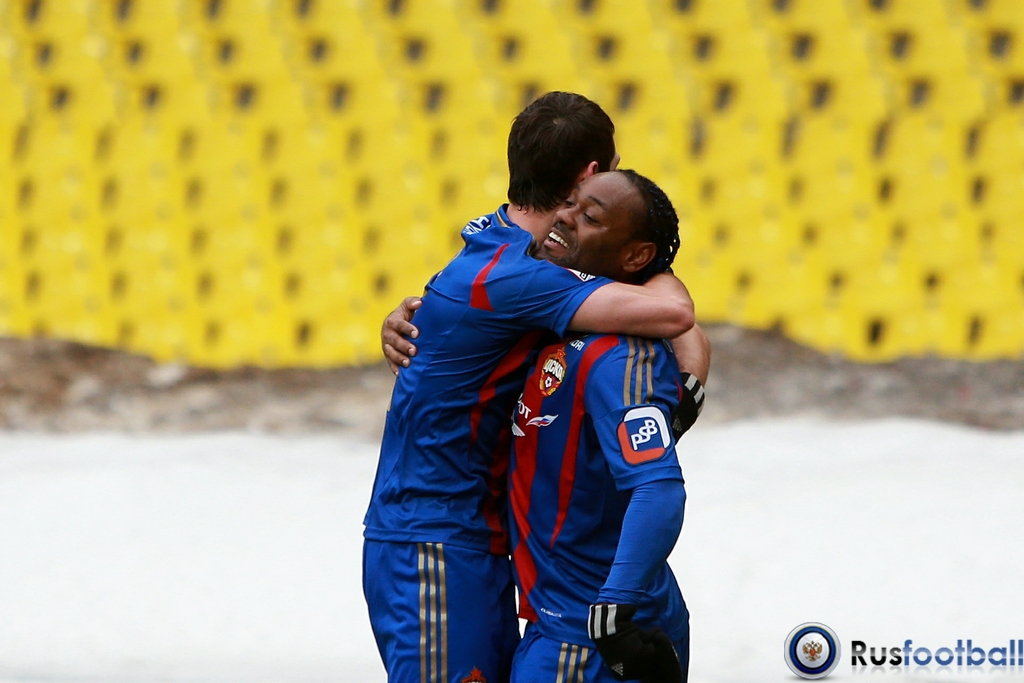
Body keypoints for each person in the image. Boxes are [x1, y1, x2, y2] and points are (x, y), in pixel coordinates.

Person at [363, 92, 697, 683]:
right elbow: (677, 316)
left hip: (485, 538)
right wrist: (651, 265)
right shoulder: (520, 276)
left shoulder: (512, 253)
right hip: (435, 538)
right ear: (589, 175)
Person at [508, 170, 704, 683]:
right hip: (555, 618)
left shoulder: (617, 357)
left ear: (636, 257)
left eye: (590, 217)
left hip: (587, 641)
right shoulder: (556, 314)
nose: (565, 216)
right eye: (569, 201)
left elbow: (660, 489)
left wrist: (614, 613)